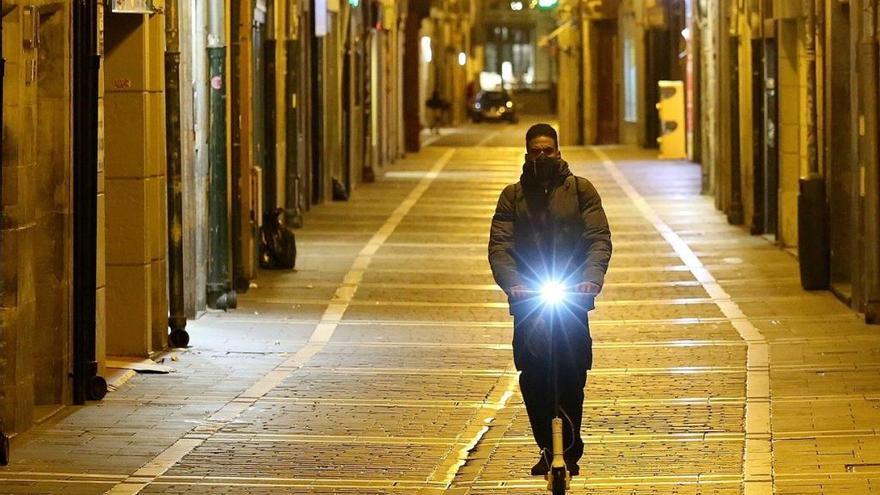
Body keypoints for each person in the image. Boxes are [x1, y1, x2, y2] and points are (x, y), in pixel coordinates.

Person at [488, 123, 612, 477]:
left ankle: (569, 448)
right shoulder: (513, 196)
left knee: (572, 373)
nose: (542, 156)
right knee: (534, 374)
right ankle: (547, 444)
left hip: (571, 295)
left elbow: (598, 237)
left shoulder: (580, 190)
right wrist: (513, 283)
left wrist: (591, 279)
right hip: (529, 299)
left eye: (549, 150)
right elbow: (500, 246)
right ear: (527, 154)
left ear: (558, 151)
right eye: (536, 151)